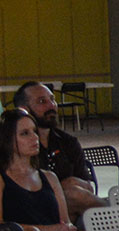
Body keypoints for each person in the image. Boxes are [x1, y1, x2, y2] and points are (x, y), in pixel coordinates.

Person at [0, 109, 84, 231]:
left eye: (34, 132)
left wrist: (59, 230)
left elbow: (66, 224)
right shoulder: (2, 179)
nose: (35, 138)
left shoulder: (49, 177)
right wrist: (50, 230)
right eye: (25, 133)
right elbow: (3, 228)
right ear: (8, 139)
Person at [12, 83, 100, 219]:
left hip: (73, 214)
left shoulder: (68, 142)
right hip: (32, 213)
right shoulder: (14, 146)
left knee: (76, 194)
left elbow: (87, 187)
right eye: (42, 101)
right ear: (24, 110)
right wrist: (62, 186)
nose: (51, 105)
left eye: (52, 99)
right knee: (74, 193)